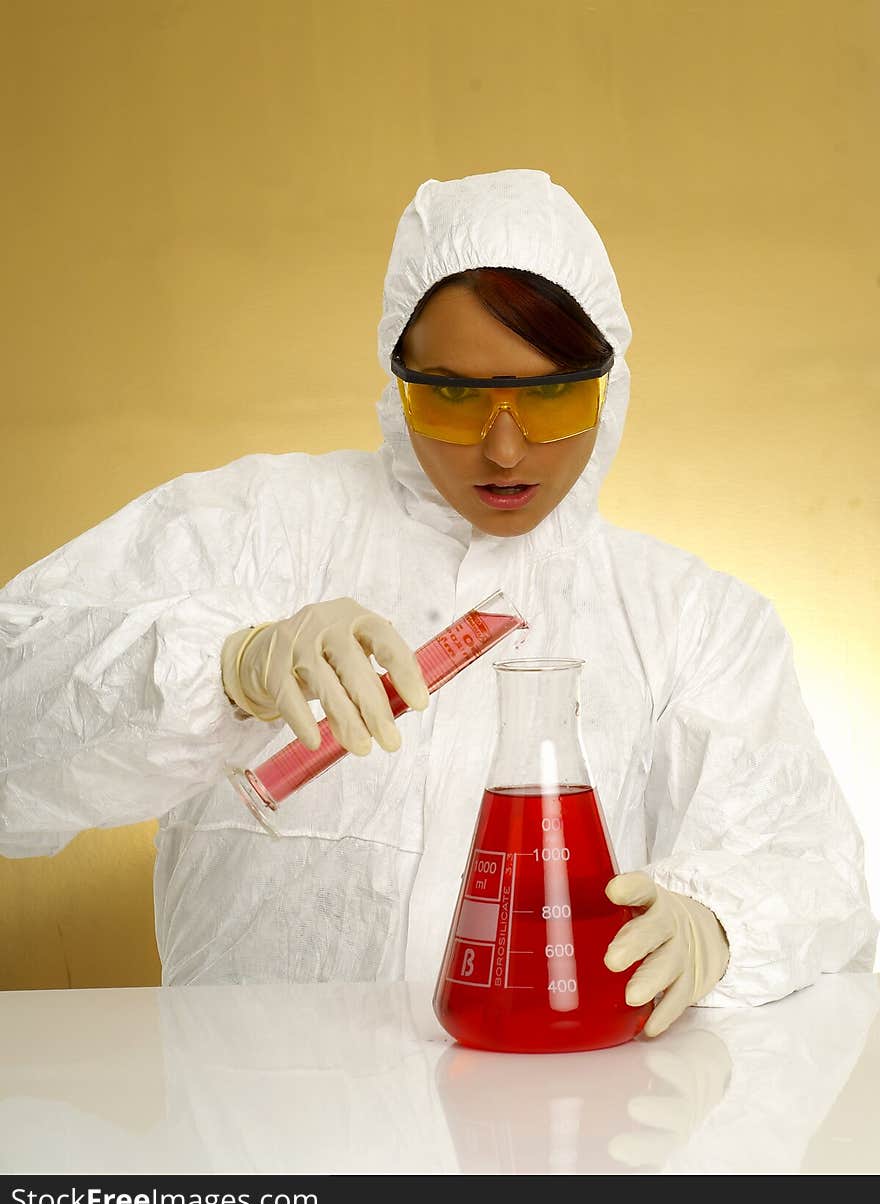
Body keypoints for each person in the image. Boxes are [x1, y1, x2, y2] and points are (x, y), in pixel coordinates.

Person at [1, 170, 875, 1036]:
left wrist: (718, 926)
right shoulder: (259, 528)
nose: (503, 448)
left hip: (567, 1147)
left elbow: (812, 871)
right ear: (398, 380)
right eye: (454, 394)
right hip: (264, 1144)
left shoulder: (692, 618)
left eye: (552, 394)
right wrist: (224, 665)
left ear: (610, 389)